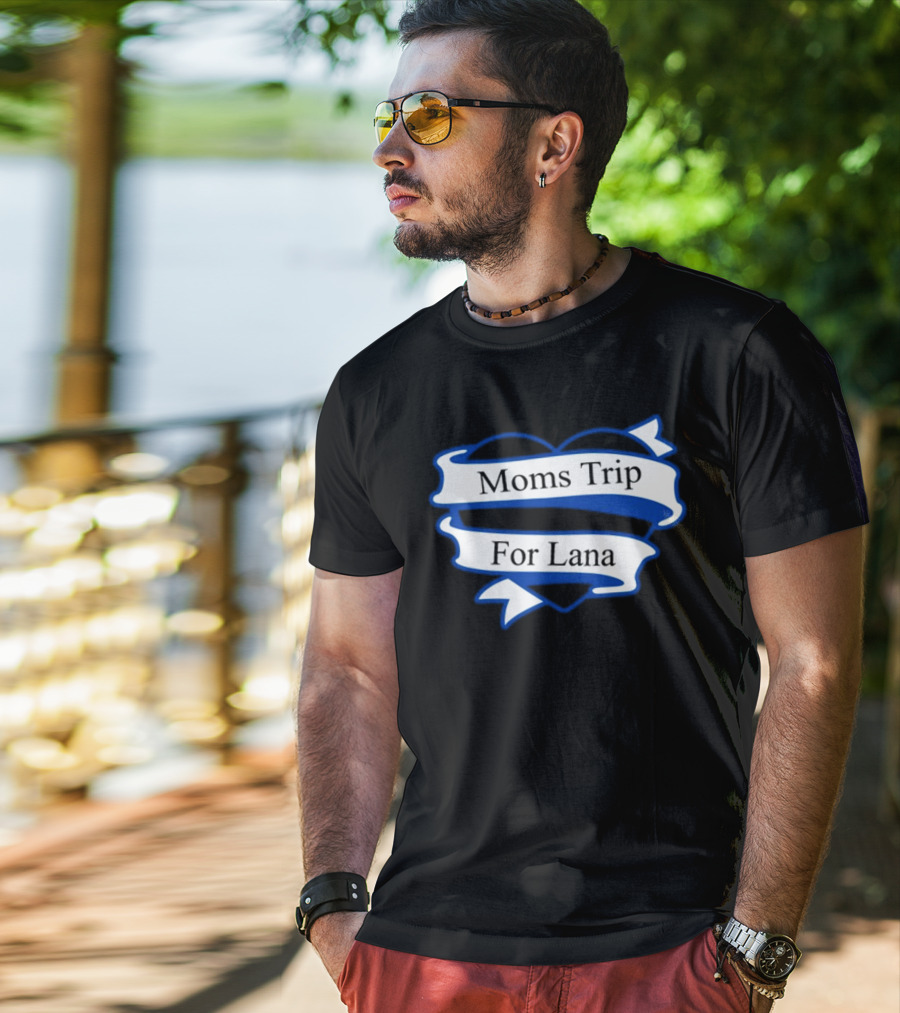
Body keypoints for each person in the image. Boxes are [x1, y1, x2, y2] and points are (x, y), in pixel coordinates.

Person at [295, 2, 869, 1011]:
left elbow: (813, 661)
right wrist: (335, 906)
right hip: (425, 953)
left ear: (553, 145)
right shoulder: (375, 391)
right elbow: (346, 663)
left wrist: (756, 948)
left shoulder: (739, 353)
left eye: (430, 116)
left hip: (664, 948)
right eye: (388, 117)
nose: (389, 147)